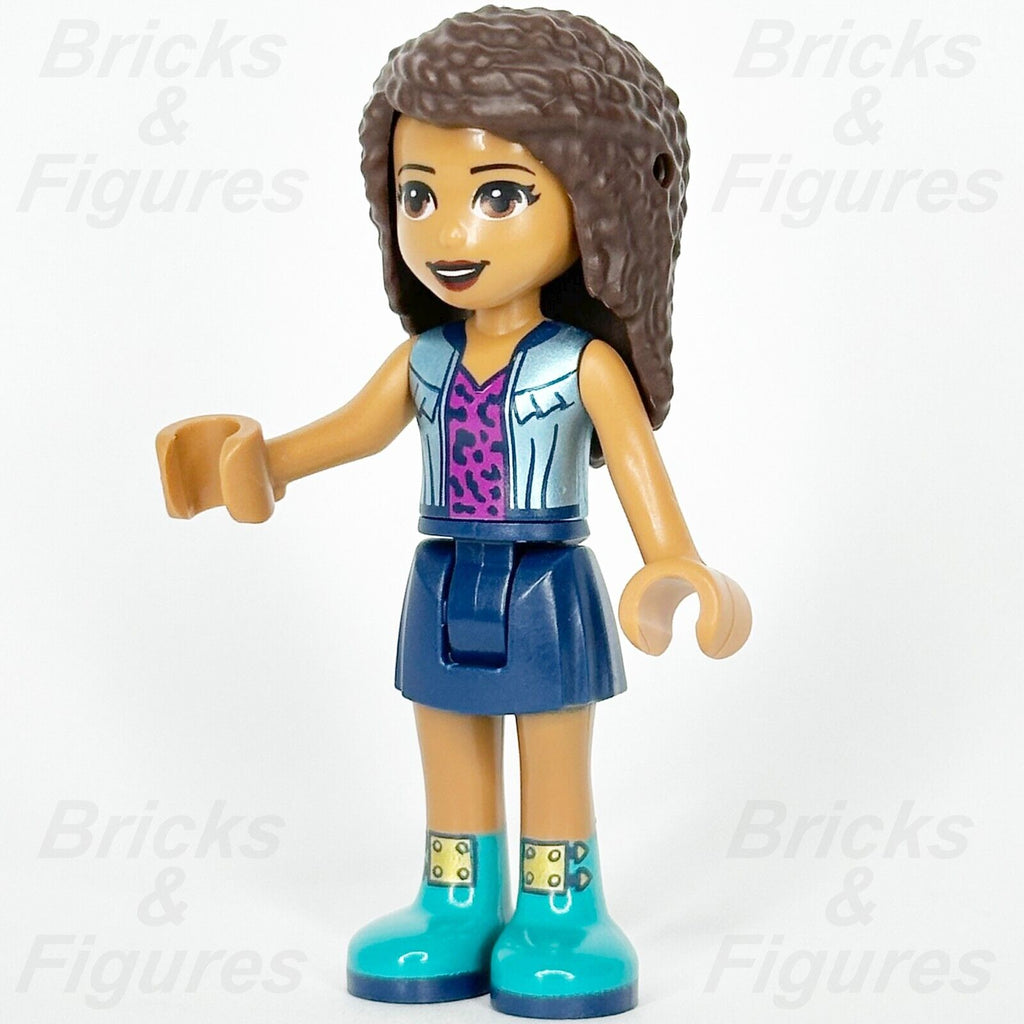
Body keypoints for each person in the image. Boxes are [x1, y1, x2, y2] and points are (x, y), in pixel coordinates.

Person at [156, 7, 750, 1018]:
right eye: (418, 195)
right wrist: (255, 464)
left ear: (593, 204)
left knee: (551, 745)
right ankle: (457, 898)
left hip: (545, 578)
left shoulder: (582, 364)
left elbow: (640, 475)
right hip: (440, 576)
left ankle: (561, 910)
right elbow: (346, 433)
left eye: (500, 196)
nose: (449, 234)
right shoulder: (424, 360)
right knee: (447, 738)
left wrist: (674, 562)